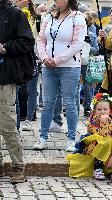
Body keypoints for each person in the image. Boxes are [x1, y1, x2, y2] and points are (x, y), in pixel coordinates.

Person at [34, 0, 87, 151]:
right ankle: (43, 137)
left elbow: (77, 43)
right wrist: (44, 57)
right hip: (48, 66)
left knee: (70, 103)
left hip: (69, 67)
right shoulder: (48, 17)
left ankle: (71, 139)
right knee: (48, 102)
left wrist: (57, 60)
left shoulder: (78, 17)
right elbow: (41, 39)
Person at [0, 0, 35, 183]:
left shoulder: (15, 14)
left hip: (5, 76)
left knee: (7, 125)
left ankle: (18, 167)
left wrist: (5, 47)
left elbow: (27, 41)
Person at [67, 93, 112, 180]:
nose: (102, 111)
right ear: (94, 110)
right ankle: (97, 168)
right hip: (95, 148)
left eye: (105, 109)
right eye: (99, 109)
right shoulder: (93, 121)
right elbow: (102, 136)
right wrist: (103, 122)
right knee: (102, 142)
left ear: (110, 110)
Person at [16, 0, 40, 132]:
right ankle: (18, 118)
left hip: (32, 56)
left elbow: (39, 37)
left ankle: (28, 118)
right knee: (18, 89)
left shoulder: (36, 18)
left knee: (31, 90)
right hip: (17, 55)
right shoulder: (14, 13)